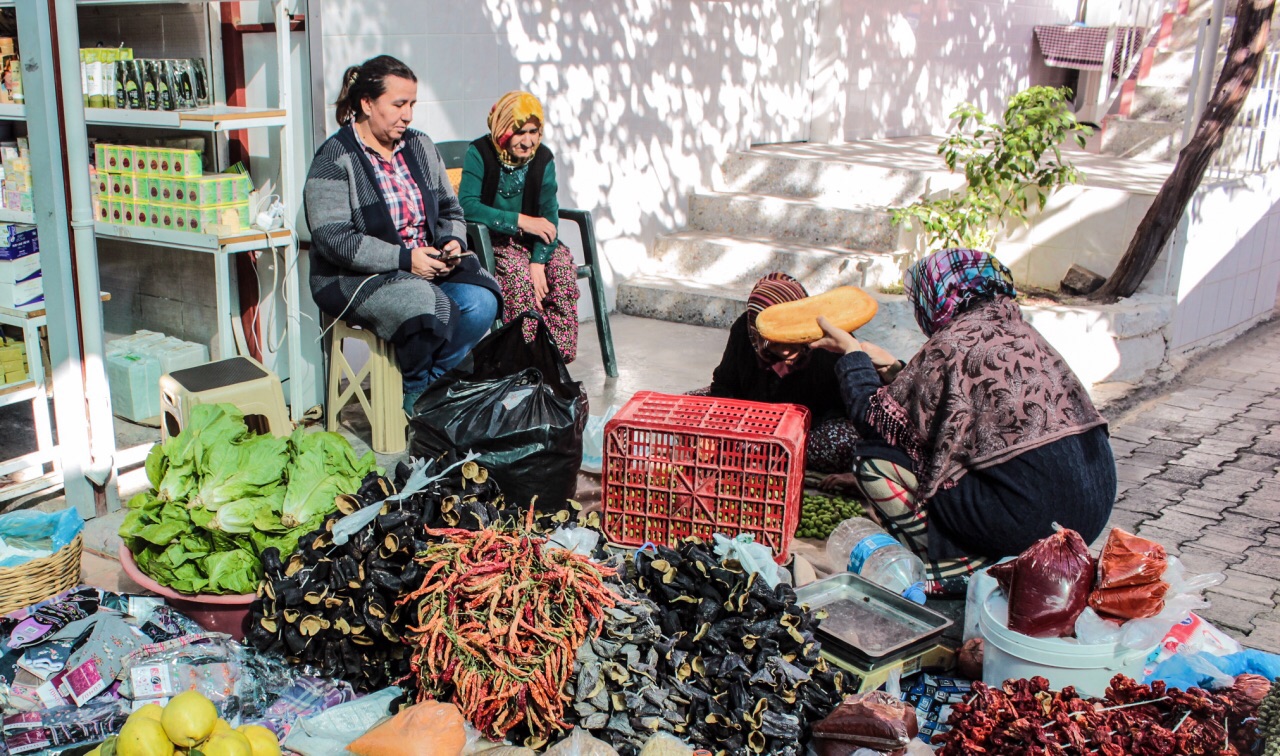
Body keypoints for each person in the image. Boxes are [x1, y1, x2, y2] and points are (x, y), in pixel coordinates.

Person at [812, 249, 1116, 596]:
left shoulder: (952, 343)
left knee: (872, 460)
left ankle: (964, 562)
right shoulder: (1019, 332)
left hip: (1032, 521)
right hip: (1092, 508)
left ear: (937, 297)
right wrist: (896, 369)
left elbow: (873, 420)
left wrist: (852, 356)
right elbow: (956, 404)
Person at [305, 55, 501, 414]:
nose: (408, 115)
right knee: (422, 302)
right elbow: (334, 240)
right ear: (367, 103)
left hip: (422, 262)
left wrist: (451, 241)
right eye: (398, 104)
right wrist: (404, 259)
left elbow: (450, 210)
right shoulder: (334, 158)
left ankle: (433, 384)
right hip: (356, 275)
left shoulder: (420, 146)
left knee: (481, 300)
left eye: (412, 104)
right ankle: (416, 388)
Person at [699, 273, 864, 473]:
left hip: (808, 430)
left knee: (842, 444)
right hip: (752, 419)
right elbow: (724, 384)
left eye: (791, 340)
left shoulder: (832, 339)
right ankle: (760, 451)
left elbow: (858, 404)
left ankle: (762, 452)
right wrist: (716, 425)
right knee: (688, 410)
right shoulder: (744, 329)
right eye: (775, 344)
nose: (786, 352)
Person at [457, 91, 578, 362]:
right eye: (519, 132)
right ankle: (523, 358)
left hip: (534, 243)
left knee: (561, 270)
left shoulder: (542, 159)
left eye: (534, 132)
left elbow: (549, 217)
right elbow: (467, 206)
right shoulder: (480, 153)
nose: (528, 141)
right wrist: (520, 220)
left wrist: (539, 261)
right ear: (502, 129)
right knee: (517, 278)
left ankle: (555, 358)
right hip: (492, 243)